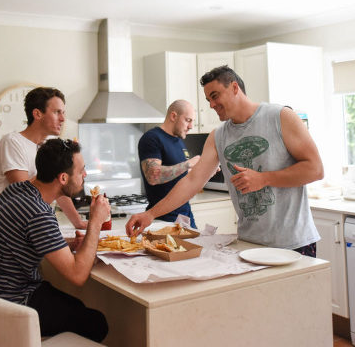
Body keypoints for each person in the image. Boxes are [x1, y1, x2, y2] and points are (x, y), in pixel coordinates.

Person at [127, 65, 323, 256]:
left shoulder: (280, 117)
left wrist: (263, 178)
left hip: (292, 243)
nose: (211, 105)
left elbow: (315, 169)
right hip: (249, 244)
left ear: (234, 88)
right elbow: (192, 181)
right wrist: (150, 214)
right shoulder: (218, 136)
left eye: (215, 96)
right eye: (208, 100)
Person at [0, 138, 109, 342]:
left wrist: (67, 245)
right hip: (10, 305)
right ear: (63, 178)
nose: (85, 175)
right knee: (97, 323)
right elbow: (78, 276)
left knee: (76, 307)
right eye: (81, 171)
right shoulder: (38, 213)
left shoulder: (16, 191)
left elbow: (27, 240)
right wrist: (96, 221)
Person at [0, 87, 87, 274]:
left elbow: (58, 187)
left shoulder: (45, 148)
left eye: (63, 112)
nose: (63, 118)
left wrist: (78, 223)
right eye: (57, 112)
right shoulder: (13, 142)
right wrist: (61, 165)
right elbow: (27, 193)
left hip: (17, 238)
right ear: (37, 114)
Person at [138, 99, 201, 227]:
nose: (191, 126)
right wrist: (188, 164)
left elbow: (183, 175)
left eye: (192, 122)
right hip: (163, 220)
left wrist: (203, 169)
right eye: (188, 120)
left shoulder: (179, 141)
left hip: (186, 216)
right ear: (173, 116)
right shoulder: (151, 138)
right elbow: (152, 176)